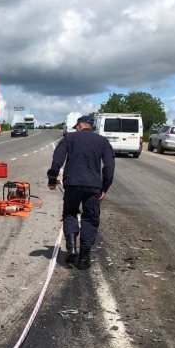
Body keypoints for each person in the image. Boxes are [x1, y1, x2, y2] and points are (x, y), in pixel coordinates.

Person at [47, 114, 115, 270]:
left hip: (72, 184)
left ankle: (71, 248)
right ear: (92, 127)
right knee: (90, 218)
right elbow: (109, 167)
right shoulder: (102, 141)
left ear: (79, 126)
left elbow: (57, 159)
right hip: (93, 186)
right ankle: (84, 259)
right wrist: (105, 187)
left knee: (70, 213)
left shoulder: (69, 138)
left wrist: (52, 179)